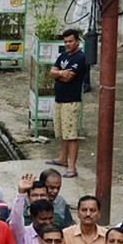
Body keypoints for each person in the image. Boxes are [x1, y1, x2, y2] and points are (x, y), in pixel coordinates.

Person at [48, 29, 87, 178]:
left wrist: (59, 74)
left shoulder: (80, 58)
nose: (67, 44)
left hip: (71, 101)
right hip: (59, 99)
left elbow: (69, 77)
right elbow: (52, 72)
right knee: (62, 132)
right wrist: (59, 74)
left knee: (71, 135)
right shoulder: (63, 56)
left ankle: (72, 166)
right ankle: (62, 159)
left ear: (77, 41)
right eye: (65, 42)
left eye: (70, 41)